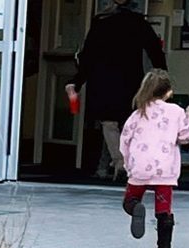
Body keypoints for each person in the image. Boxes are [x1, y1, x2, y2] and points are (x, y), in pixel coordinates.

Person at [66, 0, 168, 181]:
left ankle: (119, 163)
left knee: (109, 124)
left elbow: (88, 56)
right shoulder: (137, 22)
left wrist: (77, 81)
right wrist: (162, 75)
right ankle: (123, 164)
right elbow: (155, 50)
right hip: (130, 79)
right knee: (131, 123)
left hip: (102, 80)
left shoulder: (100, 23)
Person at [120, 70, 189, 248]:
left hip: (140, 168)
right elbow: (185, 136)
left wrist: (128, 163)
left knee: (129, 200)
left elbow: (125, 140)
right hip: (165, 170)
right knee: (164, 210)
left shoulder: (138, 114)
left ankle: (136, 207)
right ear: (169, 92)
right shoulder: (176, 112)